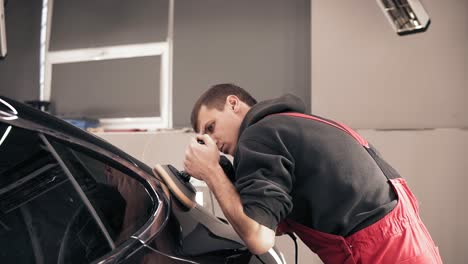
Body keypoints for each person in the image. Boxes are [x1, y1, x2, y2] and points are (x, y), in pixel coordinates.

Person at [183, 83, 442, 263]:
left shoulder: (258, 135)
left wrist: (212, 172)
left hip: (379, 255)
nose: (211, 140)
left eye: (211, 127)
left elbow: (260, 237)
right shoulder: (299, 125)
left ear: (233, 103)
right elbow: (276, 223)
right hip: (414, 248)